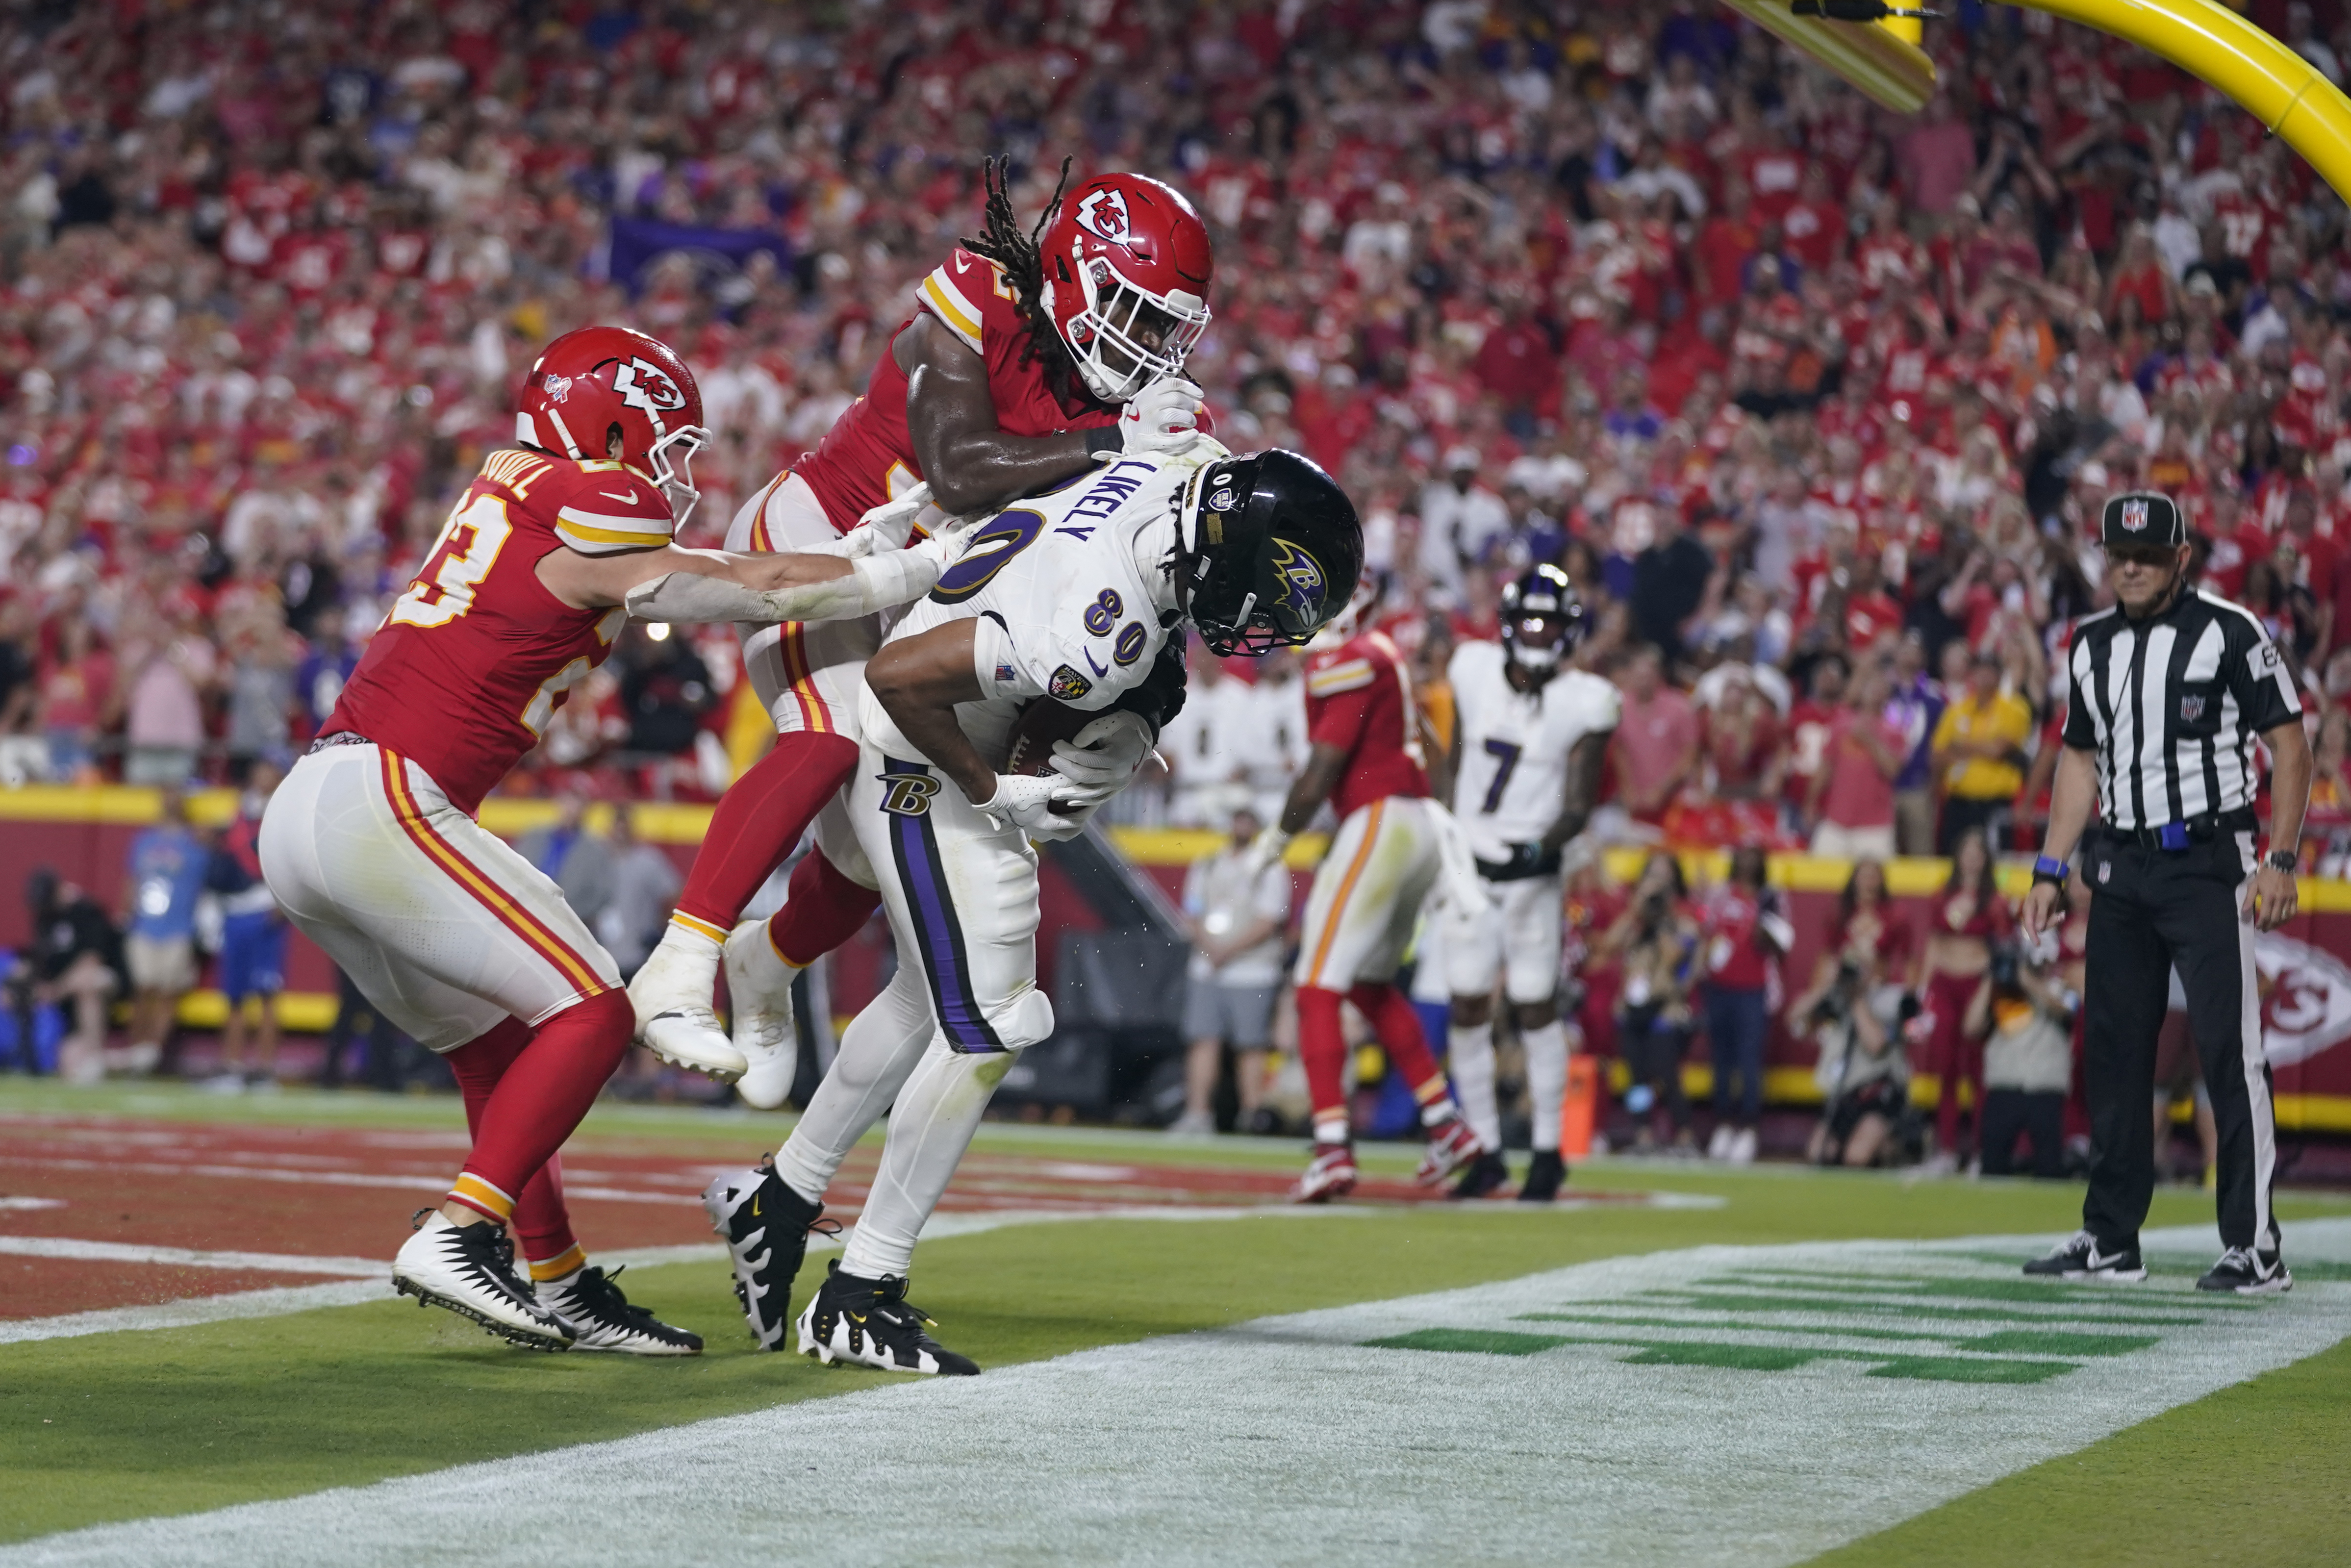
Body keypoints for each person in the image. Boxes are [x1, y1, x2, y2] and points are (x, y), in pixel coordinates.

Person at [258, 324, 960, 1354]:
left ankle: (558, 1281)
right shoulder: (592, 495)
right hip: (386, 800)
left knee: (498, 1049)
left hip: (315, 807)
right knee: (595, 1009)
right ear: (615, 427)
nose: (669, 472)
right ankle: (460, 1229)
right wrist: (917, 568)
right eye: (663, 445)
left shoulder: (516, 488)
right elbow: (745, 589)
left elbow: (698, 574)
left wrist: (853, 555)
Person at [700, 443, 1358, 1372]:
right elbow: (900, 680)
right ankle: (860, 1292)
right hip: (920, 752)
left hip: (953, 716)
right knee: (995, 1021)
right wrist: (995, 788)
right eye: (1270, 601)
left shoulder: (1171, 475)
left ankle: (779, 1201)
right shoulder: (1090, 635)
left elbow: (1158, 599)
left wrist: (1134, 722)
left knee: (927, 996)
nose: (1261, 626)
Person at [626, 164, 1218, 1092]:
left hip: (920, 601)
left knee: (868, 850)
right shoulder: (985, 295)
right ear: (1073, 272)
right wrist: (1113, 443)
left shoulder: (1147, 414)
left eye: (1163, 329)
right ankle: (678, 963)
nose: (1144, 345)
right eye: (1132, 312)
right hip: (824, 537)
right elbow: (955, 469)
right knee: (827, 739)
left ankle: (765, 961)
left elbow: (1164, 577)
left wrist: (1141, 715)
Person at [2022, 491, 2311, 1295]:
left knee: (2229, 1051)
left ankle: (2254, 1245)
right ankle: (2111, 1236)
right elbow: (2079, 758)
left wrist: (2280, 858)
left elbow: (2289, 744)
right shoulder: (2089, 642)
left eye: (2147, 555)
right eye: (2119, 555)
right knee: (2113, 1051)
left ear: (2180, 557)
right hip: (2119, 863)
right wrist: (2049, 867)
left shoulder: (2228, 630)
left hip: (2209, 862)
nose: (2131, 568)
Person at [1248, 568, 1485, 1203]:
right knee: (1367, 985)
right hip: (1416, 822)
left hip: (1380, 819)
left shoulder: (1350, 657)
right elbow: (1436, 755)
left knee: (1314, 985)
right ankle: (1446, 1123)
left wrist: (1276, 839)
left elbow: (1322, 768)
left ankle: (1330, 1146)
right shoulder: (1386, 658)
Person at [1440, 564, 1619, 1200]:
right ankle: (1484, 1148)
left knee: (1534, 1001)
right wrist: (1444, 832)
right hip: (1470, 867)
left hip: (1532, 872)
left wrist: (1541, 848)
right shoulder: (1471, 669)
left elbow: (1579, 803)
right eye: (1530, 622)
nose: (1538, 634)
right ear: (1509, 624)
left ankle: (1547, 1149)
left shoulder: (1586, 699)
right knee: (1466, 1001)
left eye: (1549, 624)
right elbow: (1454, 761)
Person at [1171, 806, 1292, 1137]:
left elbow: (1269, 920)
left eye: (1248, 820)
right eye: (1238, 819)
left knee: (1251, 1046)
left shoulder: (1270, 868)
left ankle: (1252, 1115)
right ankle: (1197, 1114)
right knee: (1202, 1041)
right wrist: (1209, 946)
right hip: (1208, 968)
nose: (1242, 826)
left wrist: (1227, 950)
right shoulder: (1208, 863)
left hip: (1252, 970)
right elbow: (1192, 909)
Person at [1909, 826, 2009, 1172]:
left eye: (1978, 852)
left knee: (1977, 1069)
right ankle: (1947, 1150)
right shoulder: (1942, 895)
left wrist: (1986, 992)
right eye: (1967, 851)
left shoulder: (1995, 902)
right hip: (1944, 985)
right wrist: (1922, 993)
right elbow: (1933, 944)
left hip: (1976, 985)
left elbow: (2000, 952)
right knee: (1946, 1068)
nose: (1971, 858)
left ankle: (1980, 1152)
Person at [1598, 852, 1701, 1155]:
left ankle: (1684, 1134)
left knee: (1667, 1074)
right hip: (1631, 1010)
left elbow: (1675, 958)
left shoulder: (1683, 924)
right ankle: (1642, 1132)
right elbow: (1609, 944)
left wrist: (1662, 922)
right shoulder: (1635, 923)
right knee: (1637, 1078)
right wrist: (1636, 911)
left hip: (1665, 1010)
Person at [1699, 844, 1793, 1163]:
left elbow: (1783, 943)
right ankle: (1724, 1123)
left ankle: (1749, 1127)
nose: (1747, 862)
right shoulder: (1720, 893)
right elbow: (1705, 928)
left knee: (1749, 1061)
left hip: (1754, 990)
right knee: (1721, 1060)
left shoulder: (1771, 896)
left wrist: (1760, 925)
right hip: (1718, 986)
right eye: (1742, 856)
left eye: (1754, 857)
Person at [206, 763, 286, 1091]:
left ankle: (265, 1069)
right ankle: (232, 1066)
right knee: (234, 996)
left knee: (267, 995)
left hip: (264, 909)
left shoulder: (284, 809)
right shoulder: (239, 811)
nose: (261, 776)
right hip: (234, 910)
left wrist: (282, 902)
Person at [120, 787, 208, 1077]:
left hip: (179, 927)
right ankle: (136, 1049)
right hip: (146, 925)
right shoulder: (145, 840)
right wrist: (126, 912)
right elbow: (132, 879)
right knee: (143, 989)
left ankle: (152, 1053)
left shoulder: (194, 842)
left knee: (168, 992)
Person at [1968, 939, 2075, 1179]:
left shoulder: (2061, 986)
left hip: (2046, 1083)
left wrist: (2027, 981)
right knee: (1993, 1165)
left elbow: (2067, 1009)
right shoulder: (2001, 991)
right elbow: (1971, 1027)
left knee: (2050, 1168)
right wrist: (1989, 980)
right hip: (2005, 1082)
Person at [11, 869, 123, 1084]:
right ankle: (117, 1060)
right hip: (64, 1001)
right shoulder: (45, 917)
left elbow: (92, 960)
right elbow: (41, 960)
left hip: (104, 981)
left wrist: (57, 990)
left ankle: (96, 1055)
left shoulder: (86, 911)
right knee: (69, 1064)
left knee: (88, 983)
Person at [1799, 953, 1908, 1168]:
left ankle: (1893, 1147)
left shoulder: (1889, 999)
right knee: (1818, 1153)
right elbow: (1796, 1020)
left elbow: (1876, 1044)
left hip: (1877, 1094)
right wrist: (1824, 988)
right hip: (1844, 1095)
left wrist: (1857, 999)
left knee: (1856, 1157)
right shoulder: (1837, 999)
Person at [1930, 649, 2032, 853]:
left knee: (1996, 860)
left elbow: (1998, 750)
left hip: (1996, 803)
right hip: (1958, 803)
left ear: (1999, 676)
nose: (1984, 675)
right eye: (1979, 670)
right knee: (1952, 858)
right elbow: (1937, 757)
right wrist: (1983, 747)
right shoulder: (1957, 709)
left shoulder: (2014, 708)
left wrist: (1960, 746)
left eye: (1990, 671)